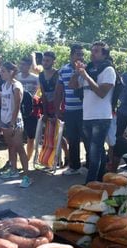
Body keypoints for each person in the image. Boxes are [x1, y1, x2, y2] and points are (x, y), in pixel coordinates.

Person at [69, 41, 116, 183]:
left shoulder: (109, 70)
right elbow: (72, 86)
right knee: (97, 151)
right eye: (92, 50)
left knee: (94, 153)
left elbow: (101, 93)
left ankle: (89, 184)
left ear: (104, 54)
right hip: (87, 116)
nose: (92, 53)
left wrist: (85, 76)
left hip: (101, 117)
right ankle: (100, 181)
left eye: (96, 51)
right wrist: (77, 74)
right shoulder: (88, 69)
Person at [0, 62, 32, 188]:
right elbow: (3, 104)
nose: (1, 73)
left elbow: (17, 105)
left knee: (19, 148)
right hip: (5, 120)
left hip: (15, 122)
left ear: (11, 72)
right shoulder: (4, 85)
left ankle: (27, 176)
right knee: (10, 147)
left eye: (3, 71)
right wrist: (0, 122)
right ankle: (13, 170)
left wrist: (12, 123)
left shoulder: (16, 85)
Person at [55, 44, 87, 175]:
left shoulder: (87, 69)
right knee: (72, 139)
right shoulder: (63, 70)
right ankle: (74, 166)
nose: (80, 57)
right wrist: (57, 109)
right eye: (78, 54)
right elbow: (59, 90)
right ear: (71, 55)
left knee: (86, 138)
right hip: (69, 110)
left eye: (82, 54)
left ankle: (89, 165)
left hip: (84, 110)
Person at [16, 55, 40, 161]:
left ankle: (28, 158)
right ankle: (19, 157)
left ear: (29, 66)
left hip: (32, 110)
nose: (21, 66)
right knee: (18, 135)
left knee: (31, 136)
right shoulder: (16, 77)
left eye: (24, 64)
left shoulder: (35, 78)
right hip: (18, 110)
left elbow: (39, 93)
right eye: (20, 64)